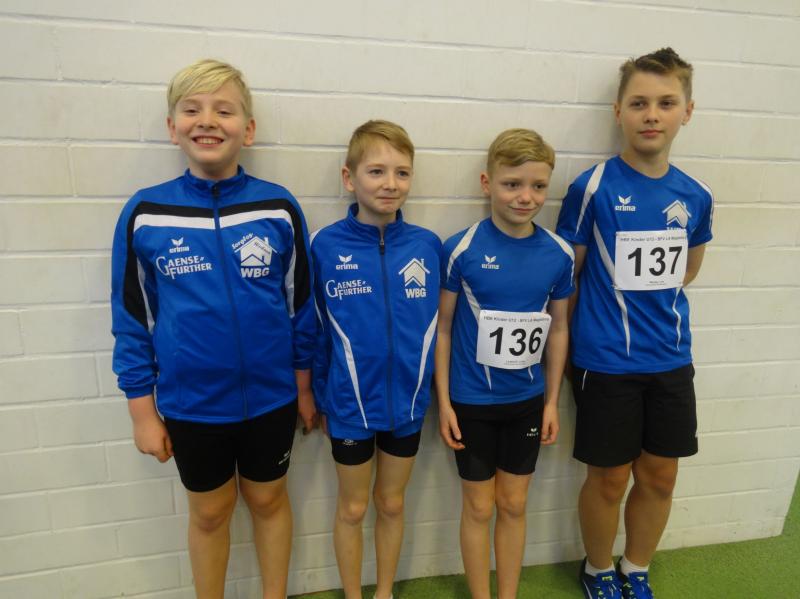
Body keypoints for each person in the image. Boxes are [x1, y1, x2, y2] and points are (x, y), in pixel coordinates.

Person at [110, 59, 315, 599]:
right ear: (171, 126)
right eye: (192, 109)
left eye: (224, 110)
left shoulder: (278, 207)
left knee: (268, 500)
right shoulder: (145, 214)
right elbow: (131, 319)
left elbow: (302, 308)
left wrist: (303, 388)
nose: (207, 121)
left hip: (272, 397)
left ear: (248, 129)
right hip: (192, 403)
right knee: (209, 512)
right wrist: (141, 412)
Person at [555, 48, 714, 599]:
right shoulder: (591, 188)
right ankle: (598, 569)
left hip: (670, 359)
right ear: (618, 111)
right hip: (606, 362)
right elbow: (567, 279)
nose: (652, 114)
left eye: (666, 103)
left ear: (687, 111)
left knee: (661, 475)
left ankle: (635, 566)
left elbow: (687, 270)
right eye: (639, 103)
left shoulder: (696, 195)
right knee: (609, 478)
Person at [436, 128, 574, 599]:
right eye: (512, 184)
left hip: (526, 402)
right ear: (487, 183)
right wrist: (444, 403)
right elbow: (443, 329)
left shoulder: (558, 253)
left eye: (538, 186)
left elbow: (559, 329)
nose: (525, 196)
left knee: (513, 504)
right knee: (478, 507)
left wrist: (551, 402)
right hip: (472, 402)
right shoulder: (460, 248)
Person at [311, 120, 441, 599]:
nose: (390, 184)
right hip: (348, 406)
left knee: (391, 503)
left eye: (402, 173)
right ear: (349, 178)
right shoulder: (324, 246)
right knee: (352, 509)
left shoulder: (427, 246)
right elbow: (313, 329)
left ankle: (383, 592)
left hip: (408, 407)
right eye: (377, 171)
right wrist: (318, 397)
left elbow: (440, 329)